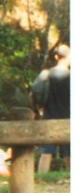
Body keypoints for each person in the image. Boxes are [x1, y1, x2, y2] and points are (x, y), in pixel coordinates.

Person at [31, 44, 70, 172]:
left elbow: (34, 93)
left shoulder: (46, 74)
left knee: (46, 152)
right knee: (70, 154)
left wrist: (36, 111)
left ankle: (42, 178)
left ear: (56, 57)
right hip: (68, 119)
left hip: (49, 117)